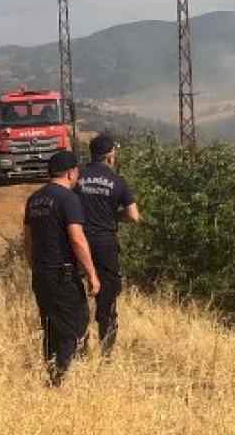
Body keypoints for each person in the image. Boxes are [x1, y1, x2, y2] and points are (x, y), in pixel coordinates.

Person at [23, 150, 100, 386]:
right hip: (62, 275)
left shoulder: (34, 199)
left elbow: (27, 240)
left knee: (51, 327)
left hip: (41, 274)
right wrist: (92, 274)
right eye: (76, 171)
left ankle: (52, 374)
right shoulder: (68, 199)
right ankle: (62, 382)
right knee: (75, 325)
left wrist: (35, 266)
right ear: (70, 172)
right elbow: (77, 239)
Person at [75, 134, 140, 355]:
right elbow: (133, 216)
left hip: (77, 242)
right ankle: (106, 352)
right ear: (110, 155)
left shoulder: (77, 177)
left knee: (76, 296)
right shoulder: (117, 181)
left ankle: (78, 347)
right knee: (107, 299)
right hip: (105, 245)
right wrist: (113, 216)